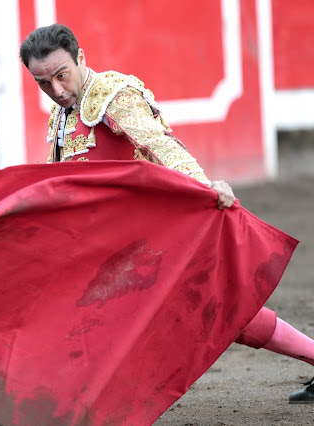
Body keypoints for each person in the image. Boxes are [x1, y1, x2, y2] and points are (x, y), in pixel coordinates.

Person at [19, 22, 314, 404]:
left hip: (154, 240)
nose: (56, 91)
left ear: (81, 58)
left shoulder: (113, 96)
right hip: (109, 247)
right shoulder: (60, 118)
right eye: (43, 83)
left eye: (61, 76)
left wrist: (205, 187)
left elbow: (159, 144)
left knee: (223, 312)